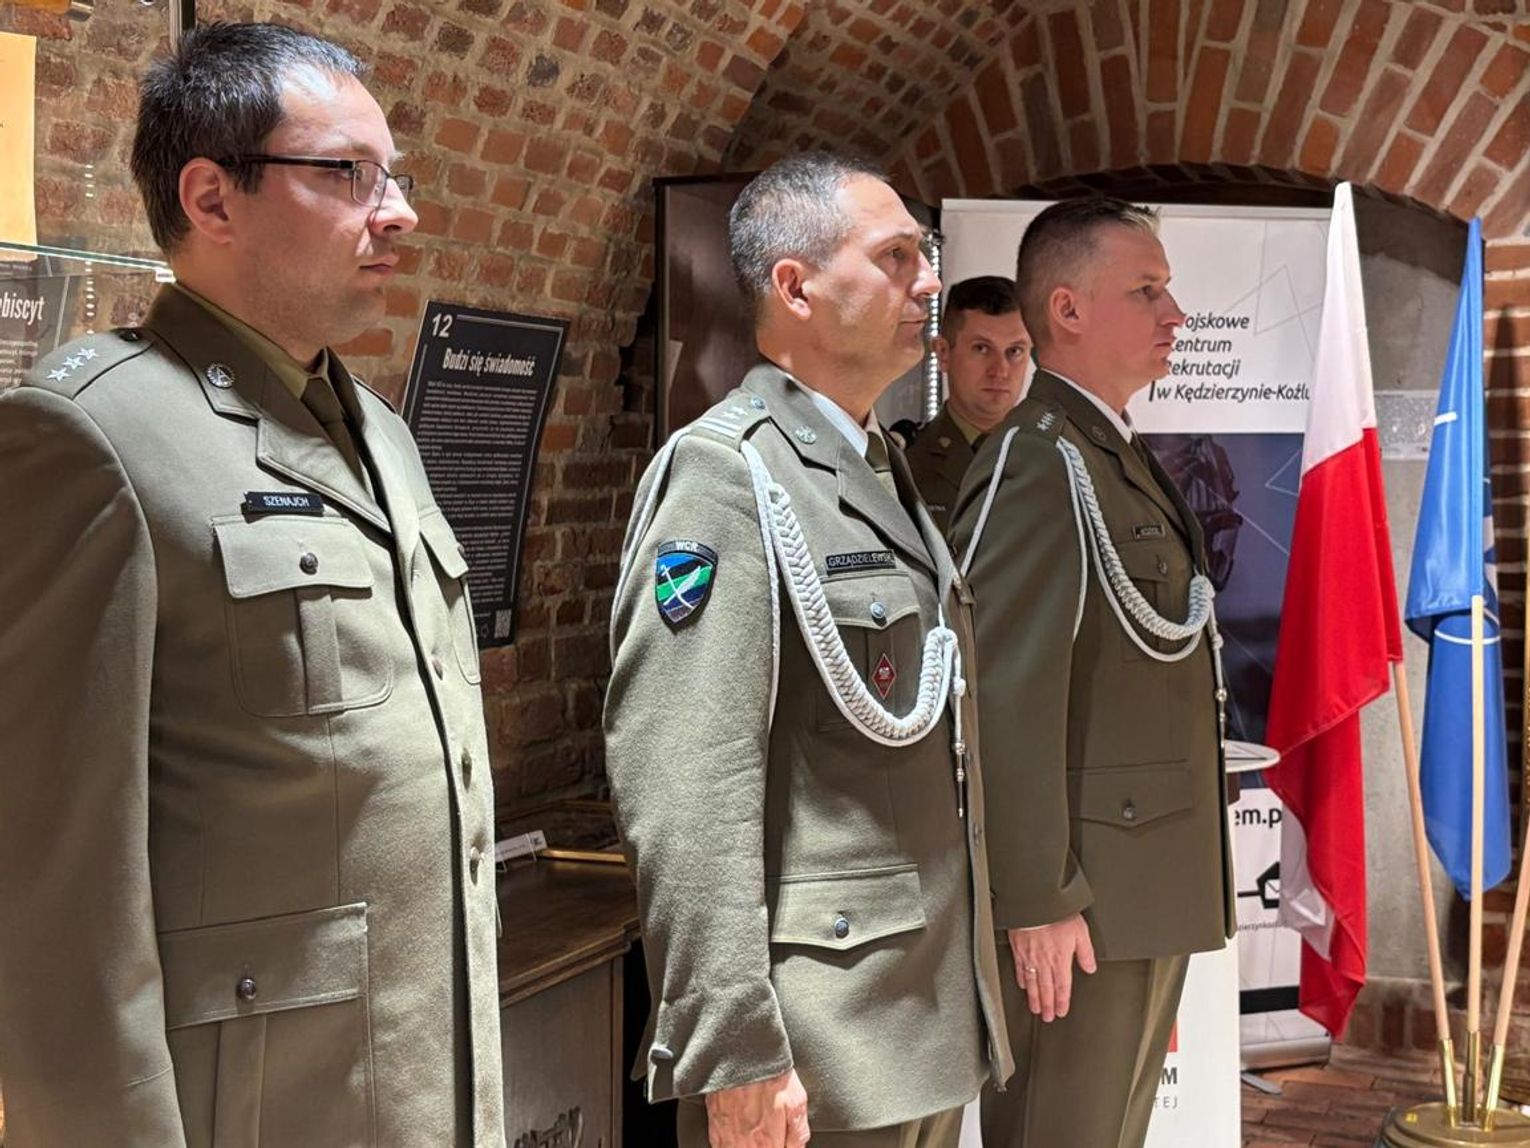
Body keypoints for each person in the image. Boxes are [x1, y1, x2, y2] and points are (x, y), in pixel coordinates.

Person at [0, 23, 504, 1147]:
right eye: (347, 173)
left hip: (415, 1090)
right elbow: (54, 902)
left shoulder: (379, 433)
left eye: (394, 175)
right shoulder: (96, 437)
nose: (398, 212)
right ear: (212, 198)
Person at [604, 151, 1012, 1148]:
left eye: (925, 256)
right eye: (896, 256)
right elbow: (688, 781)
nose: (929, 282)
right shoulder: (724, 476)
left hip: (912, 1013)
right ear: (795, 287)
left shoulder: (875, 463)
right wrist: (734, 1044)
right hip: (818, 1039)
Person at [949, 197, 1233, 1148]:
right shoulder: (1037, 461)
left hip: (1138, 884)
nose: (1175, 314)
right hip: (1082, 902)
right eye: (1147, 290)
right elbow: (1000, 693)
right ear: (1067, 310)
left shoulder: (1109, 453)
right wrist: (1035, 898)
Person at [903, 276, 1032, 532]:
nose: (1000, 370)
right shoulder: (905, 464)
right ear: (943, 353)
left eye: (1015, 351)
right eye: (982, 348)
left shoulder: (1056, 461)